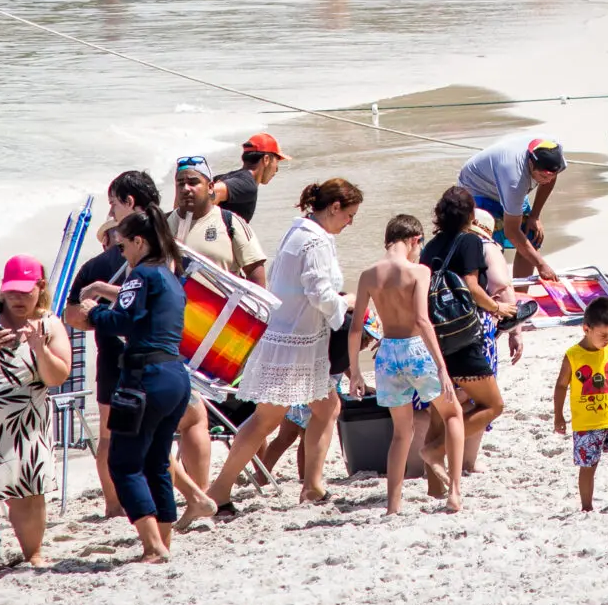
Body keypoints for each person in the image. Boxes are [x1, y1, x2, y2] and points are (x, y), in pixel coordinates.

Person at [211, 180, 363, 514]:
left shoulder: (302, 232)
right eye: (349, 215)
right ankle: (220, 490)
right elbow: (320, 294)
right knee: (268, 419)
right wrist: (349, 302)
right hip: (295, 342)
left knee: (324, 409)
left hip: (292, 337)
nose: (350, 223)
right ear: (334, 207)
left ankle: (311, 485)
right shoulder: (314, 241)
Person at [69, 210, 191, 559]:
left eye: (122, 246)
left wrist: (92, 312)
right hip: (175, 378)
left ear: (140, 242)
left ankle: (153, 546)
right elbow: (144, 313)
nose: (120, 253)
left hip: (145, 379)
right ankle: (163, 544)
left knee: (123, 464)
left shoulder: (141, 276)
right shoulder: (170, 277)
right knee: (156, 463)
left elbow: (123, 320)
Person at [347, 214, 463, 515]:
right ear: (414, 239)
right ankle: (454, 493)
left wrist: (356, 372)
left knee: (401, 432)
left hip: (387, 354)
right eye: (418, 245)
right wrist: (441, 367)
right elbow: (423, 320)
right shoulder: (419, 271)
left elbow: (356, 328)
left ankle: (393, 506)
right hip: (415, 349)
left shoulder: (368, 275)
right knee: (453, 413)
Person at [420, 189, 521, 474]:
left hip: (435, 336)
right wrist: (498, 309)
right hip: (463, 335)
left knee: (441, 412)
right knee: (492, 404)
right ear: (469, 215)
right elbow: (473, 287)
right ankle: (435, 451)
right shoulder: (470, 242)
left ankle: (434, 481)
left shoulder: (430, 247)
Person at [0, 256, 71, 565]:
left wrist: (40, 348)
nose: (17, 299)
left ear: (40, 287)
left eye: (24, 292)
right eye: (11, 293)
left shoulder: (50, 324)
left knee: (29, 489)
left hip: (30, 420)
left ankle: (33, 553)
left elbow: (57, 378)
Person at [554, 298, 608, 511]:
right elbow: (561, 386)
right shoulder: (573, 355)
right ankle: (587, 507)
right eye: (603, 335)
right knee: (589, 465)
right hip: (586, 423)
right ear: (586, 329)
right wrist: (558, 416)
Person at [457, 136, 567, 279]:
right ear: (531, 164)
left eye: (550, 176)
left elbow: (552, 176)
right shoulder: (515, 180)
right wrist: (541, 265)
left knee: (532, 235)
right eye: (542, 176)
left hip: (505, 182)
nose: (547, 180)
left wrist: (535, 216)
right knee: (492, 247)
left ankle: (520, 295)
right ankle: (494, 293)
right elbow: (512, 231)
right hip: (478, 188)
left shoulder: (554, 149)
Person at [215, 134, 288, 223]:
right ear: (266, 159)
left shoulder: (230, 177)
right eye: (277, 161)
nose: (276, 169)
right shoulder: (246, 184)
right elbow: (213, 192)